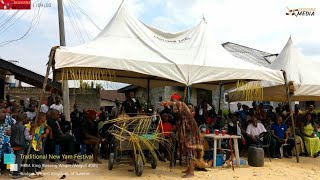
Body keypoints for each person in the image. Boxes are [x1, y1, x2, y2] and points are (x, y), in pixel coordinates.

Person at [160, 95, 203, 178]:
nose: (173, 104)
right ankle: (188, 169)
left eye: (173, 100)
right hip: (186, 131)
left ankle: (191, 172)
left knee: (190, 150)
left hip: (190, 131)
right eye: (172, 100)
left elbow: (177, 103)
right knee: (186, 150)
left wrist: (167, 102)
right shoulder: (177, 111)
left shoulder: (181, 104)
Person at [25, 113, 49, 178]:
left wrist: (38, 144)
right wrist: (32, 127)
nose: (43, 123)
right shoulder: (28, 125)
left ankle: (38, 170)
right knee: (32, 156)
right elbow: (28, 136)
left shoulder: (40, 126)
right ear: (38, 120)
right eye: (42, 121)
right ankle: (31, 171)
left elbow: (40, 136)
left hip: (36, 143)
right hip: (29, 143)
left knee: (39, 156)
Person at [10, 112, 33, 178]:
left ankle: (13, 171)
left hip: (12, 144)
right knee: (19, 159)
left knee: (13, 158)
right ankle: (17, 173)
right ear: (23, 120)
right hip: (20, 145)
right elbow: (27, 137)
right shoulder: (24, 128)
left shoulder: (13, 126)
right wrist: (31, 136)